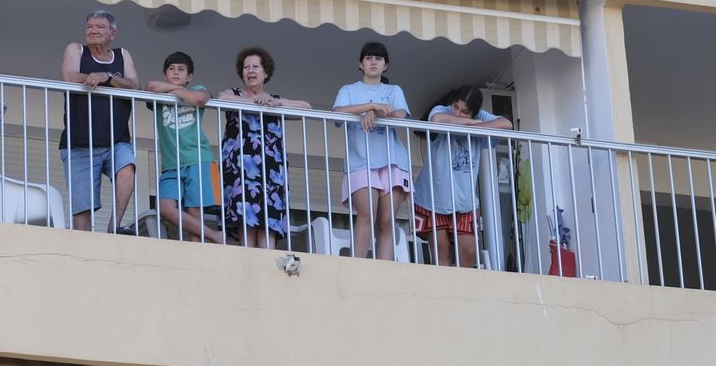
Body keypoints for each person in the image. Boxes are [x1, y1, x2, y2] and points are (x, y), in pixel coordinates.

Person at [411, 85, 514, 269]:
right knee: (441, 250)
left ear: (475, 112)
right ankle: (443, 295)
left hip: (464, 202)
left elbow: (507, 124)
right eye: (455, 107)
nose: (457, 113)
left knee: (468, 251)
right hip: (433, 199)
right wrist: (472, 123)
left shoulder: (481, 116)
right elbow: (436, 120)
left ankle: (461, 294)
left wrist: (475, 122)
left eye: (465, 112)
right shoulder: (441, 110)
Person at [219, 47, 311, 248]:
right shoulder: (234, 94)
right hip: (241, 167)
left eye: (255, 66)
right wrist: (253, 100)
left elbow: (306, 107)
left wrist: (274, 103)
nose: (250, 71)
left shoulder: (274, 100)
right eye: (246, 67)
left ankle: (267, 262)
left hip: (270, 168)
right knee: (245, 214)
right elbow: (222, 99)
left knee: (268, 217)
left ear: (266, 72)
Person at [60, 10, 140, 233]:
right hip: (79, 144)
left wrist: (109, 77)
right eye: (89, 26)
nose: (93, 30)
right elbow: (70, 76)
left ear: (113, 33)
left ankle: (114, 227)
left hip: (116, 140)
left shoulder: (122, 55)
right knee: (82, 212)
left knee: (127, 168)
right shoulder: (76, 49)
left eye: (100, 27)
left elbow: (135, 85)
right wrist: (97, 76)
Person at [331, 42, 412, 261]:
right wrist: (370, 107)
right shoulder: (349, 90)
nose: (373, 62)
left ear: (386, 65)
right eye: (368, 58)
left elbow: (401, 116)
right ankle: (358, 265)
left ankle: (383, 270)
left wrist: (375, 115)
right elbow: (337, 113)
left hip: (393, 161)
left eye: (378, 58)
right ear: (360, 63)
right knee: (366, 214)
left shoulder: (393, 90)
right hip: (361, 161)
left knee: (386, 220)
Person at [147, 52, 223, 243]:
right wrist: (179, 91)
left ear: (189, 77)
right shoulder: (159, 91)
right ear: (165, 74)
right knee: (165, 208)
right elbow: (151, 86)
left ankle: (195, 252)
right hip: (171, 165)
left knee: (194, 210)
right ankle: (215, 236)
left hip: (199, 159)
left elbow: (199, 98)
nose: (175, 72)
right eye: (171, 69)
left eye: (181, 69)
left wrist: (175, 91)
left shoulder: (197, 88)